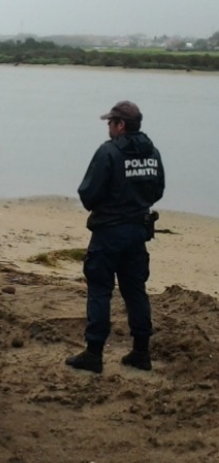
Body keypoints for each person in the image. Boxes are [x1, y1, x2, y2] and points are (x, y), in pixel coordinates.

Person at [65, 100, 165, 374]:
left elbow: (88, 194)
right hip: (137, 232)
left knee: (100, 289)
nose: (108, 127)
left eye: (110, 122)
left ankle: (94, 353)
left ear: (121, 125)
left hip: (109, 233)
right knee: (135, 290)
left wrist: (111, 206)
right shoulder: (152, 153)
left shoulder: (108, 153)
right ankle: (141, 352)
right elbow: (158, 190)